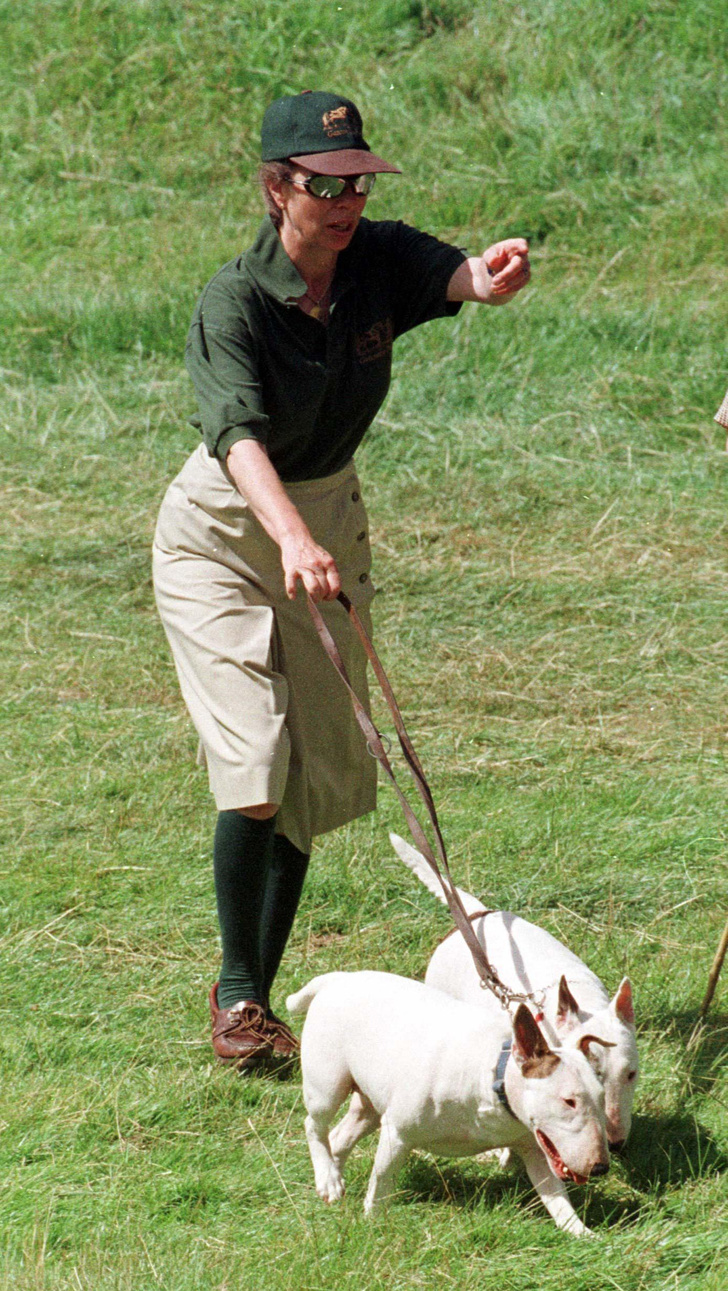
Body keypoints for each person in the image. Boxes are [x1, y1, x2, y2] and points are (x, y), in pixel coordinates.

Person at [152, 90, 530, 1070]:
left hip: (325, 518)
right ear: (276, 187)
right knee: (256, 760)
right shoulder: (232, 299)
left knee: (318, 773)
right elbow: (233, 437)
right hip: (225, 535)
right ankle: (239, 997)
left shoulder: (376, 260)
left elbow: (456, 278)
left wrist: (490, 277)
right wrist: (286, 536)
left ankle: (257, 995)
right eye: (326, 186)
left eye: (358, 182)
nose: (347, 201)